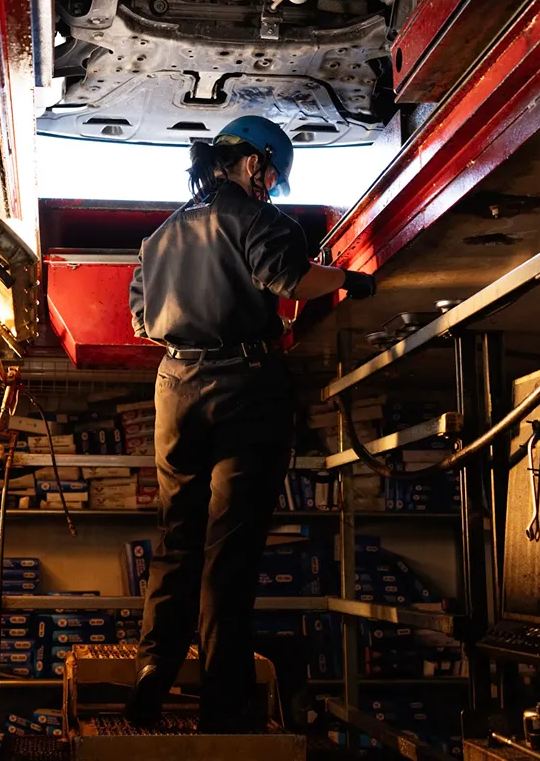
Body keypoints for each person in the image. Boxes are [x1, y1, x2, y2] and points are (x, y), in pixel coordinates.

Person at [125, 115, 377, 732]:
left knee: (177, 541)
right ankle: (222, 703)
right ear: (251, 164)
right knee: (229, 551)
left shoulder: (158, 238)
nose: (270, 188)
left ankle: (152, 673)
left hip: (175, 390)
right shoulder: (261, 220)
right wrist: (351, 279)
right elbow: (293, 278)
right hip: (245, 388)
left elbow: (140, 321)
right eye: (271, 176)